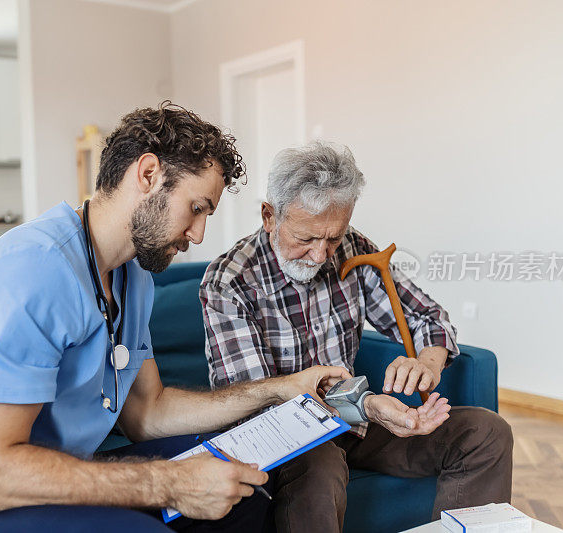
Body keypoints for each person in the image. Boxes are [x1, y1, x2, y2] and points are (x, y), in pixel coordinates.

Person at [0, 105, 352, 533]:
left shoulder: (133, 276)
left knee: (242, 493)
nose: (200, 235)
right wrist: (169, 483)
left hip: (47, 477)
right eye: (197, 208)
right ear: (147, 174)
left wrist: (280, 388)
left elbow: (147, 413)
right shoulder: (29, 271)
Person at [200, 141, 514, 533]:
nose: (321, 255)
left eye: (333, 237)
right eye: (306, 239)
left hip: (359, 422)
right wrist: (366, 404)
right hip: (289, 436)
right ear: (269, 216)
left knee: (485, 432)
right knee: (319, 461)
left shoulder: (354, 249)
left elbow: (429, 318)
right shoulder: (229, 281)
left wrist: (425, 363)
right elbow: (258, 403)